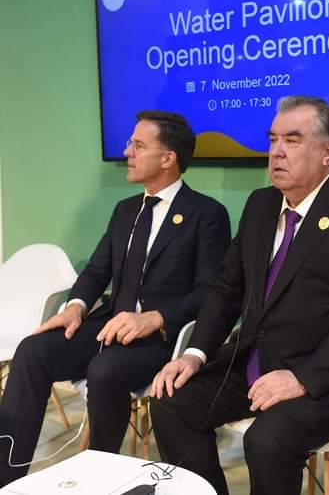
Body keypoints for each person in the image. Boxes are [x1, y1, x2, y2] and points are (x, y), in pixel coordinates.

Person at [150, 95, 329, 495]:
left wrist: (302, 378)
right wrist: (194, 354)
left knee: (266, 441)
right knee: (170, 402)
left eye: (292, 140)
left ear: (327, 152)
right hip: (253, 363)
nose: (277, 152)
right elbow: (227, 289)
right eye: (272, 140)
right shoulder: (261, 204)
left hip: (323, 378)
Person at [0, 110, 231, 486]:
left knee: (104, 370)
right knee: (32, 351)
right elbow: (96, 272)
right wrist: (75, 307)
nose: (127, 152)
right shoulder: (125, 211)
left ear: (168, 158)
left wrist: (155, 317)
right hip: (109, 326)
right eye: (129, 144)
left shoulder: (206, 214)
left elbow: (210, 291)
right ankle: (5, 476)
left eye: (138, 145)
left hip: (160, 339)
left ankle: (100, 473)